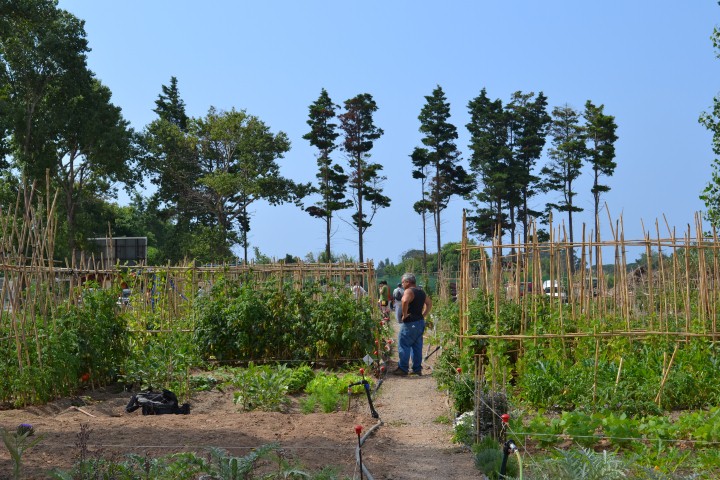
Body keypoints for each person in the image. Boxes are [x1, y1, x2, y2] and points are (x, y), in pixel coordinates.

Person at [392, 273, 432, 376]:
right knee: (417, 346)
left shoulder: (409, 291)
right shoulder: (421, 292)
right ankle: (417, 369)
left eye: (403, 282)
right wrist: (424, 314)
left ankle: (403, 368)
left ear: (407, 282)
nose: (402, 284)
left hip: (410, 322)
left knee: (404, 344)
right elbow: (429, 303)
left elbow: (405, 301)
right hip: (419, 322)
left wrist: (404, 315)